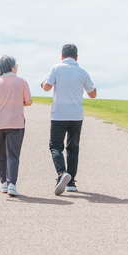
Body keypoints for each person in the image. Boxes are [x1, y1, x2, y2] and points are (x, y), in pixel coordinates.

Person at [41, 44, 96, 195]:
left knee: (56, 146)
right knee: (73, 148)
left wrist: (43, 82)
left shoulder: (56, 68)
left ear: (62, 56)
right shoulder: (82, 72)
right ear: (77, 57)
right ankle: (71, 182)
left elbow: (46, 87)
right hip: (76, 115)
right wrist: (93, 85)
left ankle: (61, 174)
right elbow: (93, 94)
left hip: (59, 115)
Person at [0, 55, 32, 196]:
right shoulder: (22, 82)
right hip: (16, 123)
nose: (17, 68)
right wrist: (17, 101)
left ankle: (3, 183)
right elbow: (29, 102)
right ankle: (12, 185)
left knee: (0, 154)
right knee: (13, 155)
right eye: (16, 65)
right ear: (11, 67)